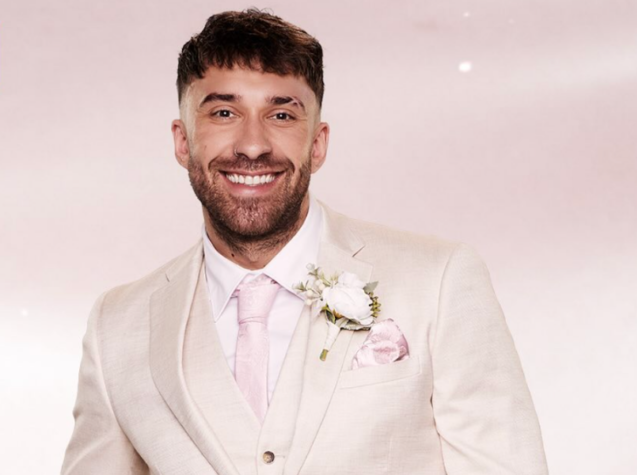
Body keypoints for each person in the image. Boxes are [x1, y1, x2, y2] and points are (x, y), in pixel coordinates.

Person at [60, 9, 548, 475]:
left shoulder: (439, 281)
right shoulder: (116, 327)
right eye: (224, 112)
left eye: (282, 115)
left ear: (318, 144)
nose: (252, 145)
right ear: (182, 141)